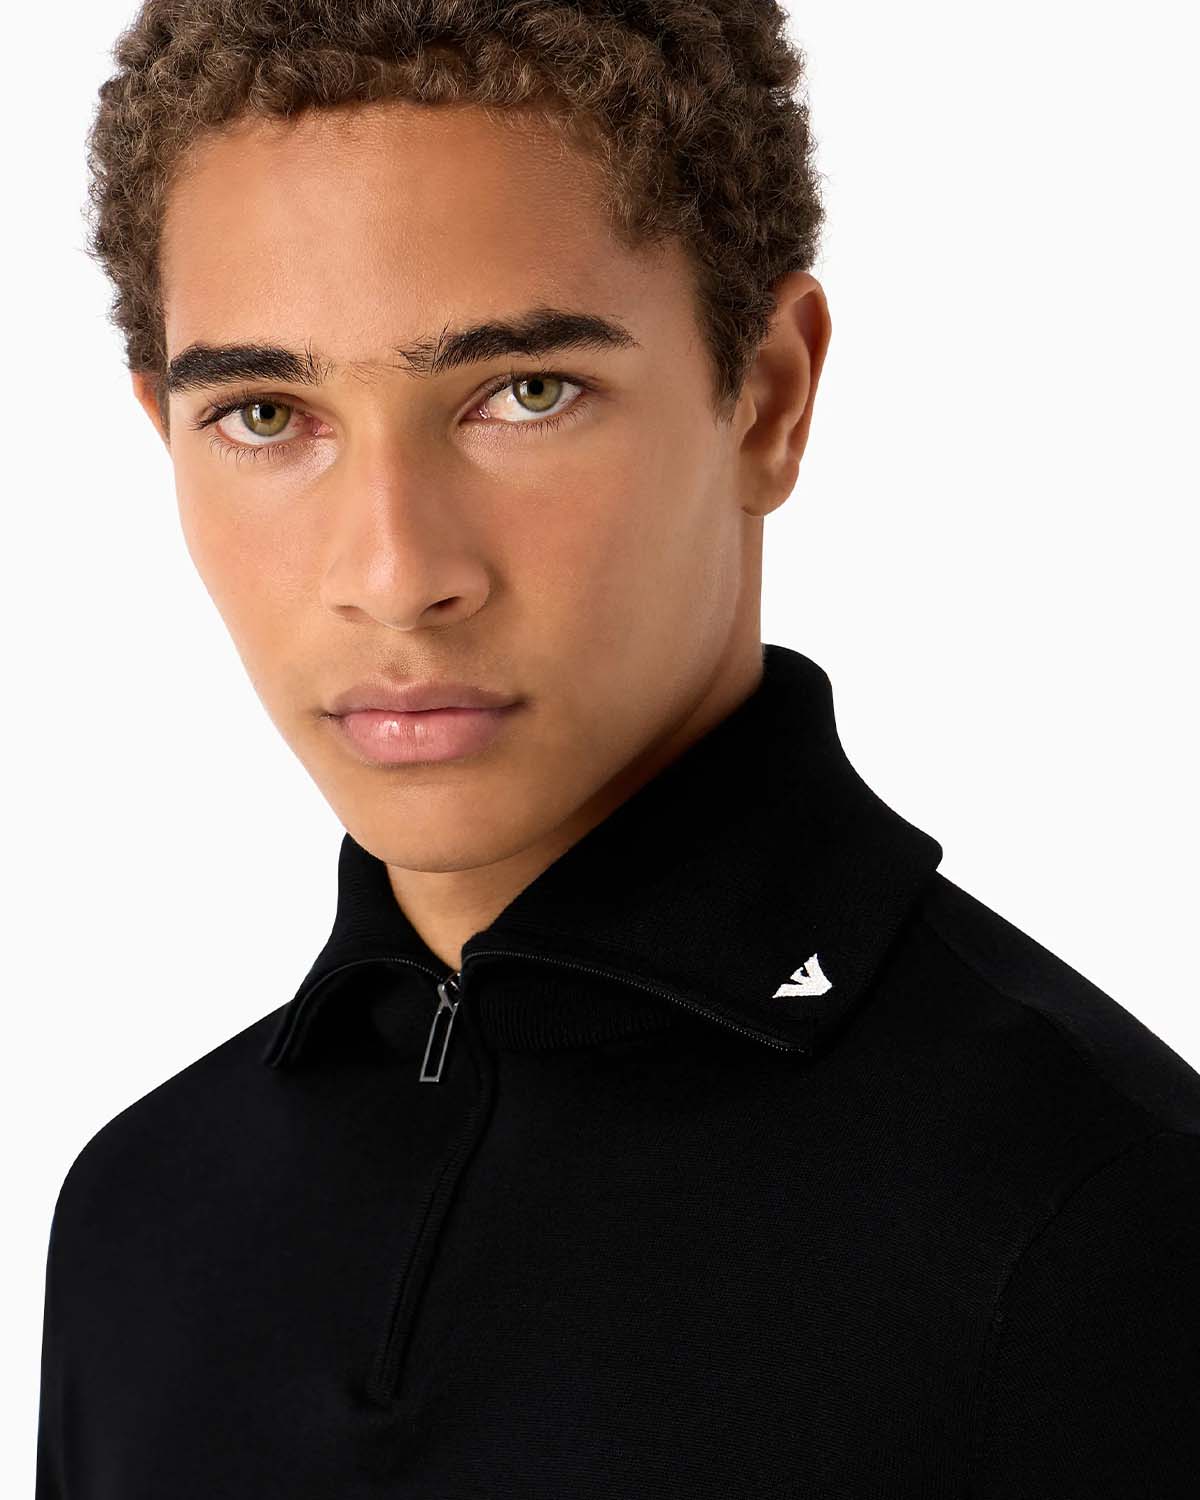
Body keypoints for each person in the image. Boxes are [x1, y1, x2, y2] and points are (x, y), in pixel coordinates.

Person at [36, 1, 1199, 1494]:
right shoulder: (140, 1213)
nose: (394, 573)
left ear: (767, 398)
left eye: (526, 394)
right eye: (266, 413)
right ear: (163, 433)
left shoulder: (1097, 1220)